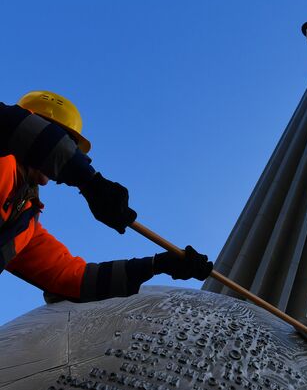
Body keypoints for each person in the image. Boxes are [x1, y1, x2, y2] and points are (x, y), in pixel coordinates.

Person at [0, 90, 213, 303]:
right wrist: (89, 181)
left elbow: (72, 277)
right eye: (68, 144)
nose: (70, 152)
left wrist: (157, 265)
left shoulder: (23, 227)